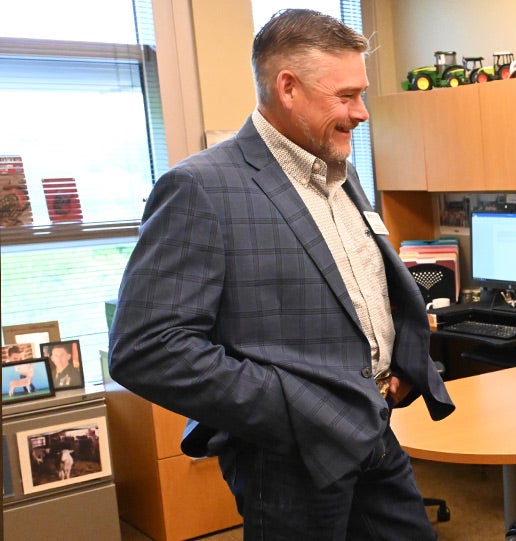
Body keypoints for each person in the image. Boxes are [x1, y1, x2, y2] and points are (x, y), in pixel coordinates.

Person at [108, 9, 454, 540]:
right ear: (287, 88)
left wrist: (402, 361)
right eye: (345, 96)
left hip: (373, 428)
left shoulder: (340, 171)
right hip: (289, 454)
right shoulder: (201, 188)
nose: (361, 112)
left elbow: (360, 289)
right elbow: (147, 348)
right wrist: (296, 409)